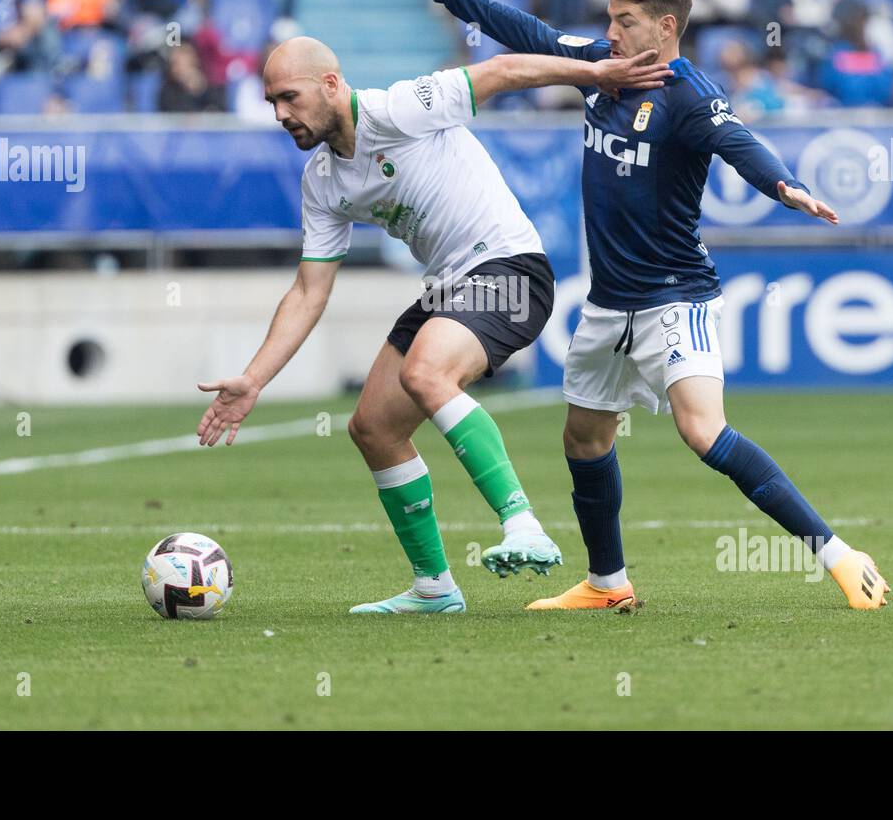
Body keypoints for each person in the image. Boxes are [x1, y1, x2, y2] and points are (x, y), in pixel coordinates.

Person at [404, 0, 892, 612]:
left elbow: (739, 140)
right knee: (584, 436)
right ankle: (609, 584)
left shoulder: (688, 97)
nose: (611, 33)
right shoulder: (599, 71)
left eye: (626, 21)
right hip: (609, 303)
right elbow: (526, 32)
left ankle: (840, 554)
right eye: (610, 19)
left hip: (675, 297)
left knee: (702, 430)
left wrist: (784, 186)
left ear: (665, 28)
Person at [194, 35, 672, 614]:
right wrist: (254, 379)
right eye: (271, 102)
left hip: (511, 270)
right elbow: (308, 291)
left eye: (289, 98)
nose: (279, 115)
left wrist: (594, 74)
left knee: (425, 371)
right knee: (372, 427)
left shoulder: (400, 108)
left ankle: (522, 523)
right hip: (451, 286)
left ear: (330, 83)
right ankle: (434, 588)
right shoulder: (322, 182)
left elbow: (501, 70)